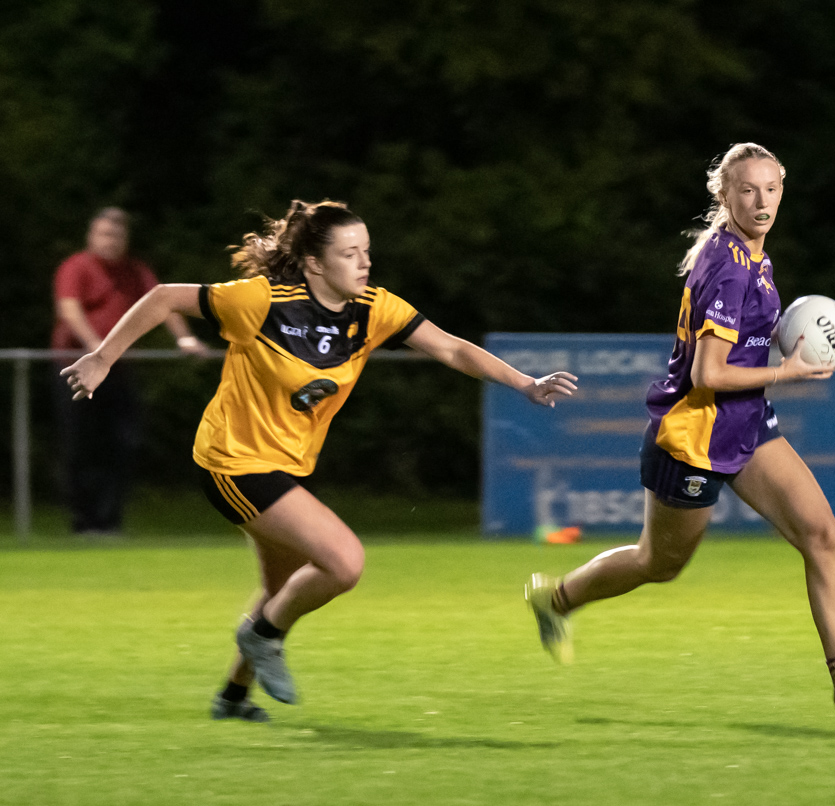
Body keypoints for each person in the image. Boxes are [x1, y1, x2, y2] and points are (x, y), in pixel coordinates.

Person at [62, 200, 578, 722]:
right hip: (231, 462)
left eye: (367, 252)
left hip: (284, 467)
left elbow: (449, 348)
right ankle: (262, 636)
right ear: (314, 264)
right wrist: (103, 357)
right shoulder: (262, 301)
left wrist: (525, 383)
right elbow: (163, 297)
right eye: (349, 254)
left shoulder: (373, 309)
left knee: (279, 590)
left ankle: (232, 698)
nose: (364, 263)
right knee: (344, 562)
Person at [524, 143, 835, 719]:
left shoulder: (754, 256)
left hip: (746, 420)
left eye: (771, 189)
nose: (761, 201)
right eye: (747, 190)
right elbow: (707, 373)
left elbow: (745, 346)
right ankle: (556, 598)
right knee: (660, 563)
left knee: (821, 535)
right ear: (723, 194)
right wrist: (790, 371)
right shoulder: (728, 266)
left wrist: (781, 346)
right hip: (694, 435)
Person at [51, 207, 206, 535]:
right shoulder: (76, 267)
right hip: (76, 368)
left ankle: (109, 523)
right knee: (82, 445)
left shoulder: (134, 271)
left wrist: (186, 339)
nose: (111, 241)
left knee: (122, 444)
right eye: (104, 234)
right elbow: (70, 310)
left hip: (117, 370)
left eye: (117, 235)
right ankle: (84, 523)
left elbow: (162, 302)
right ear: (91, 236)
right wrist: (97, 350)